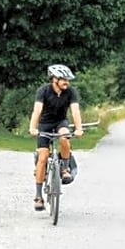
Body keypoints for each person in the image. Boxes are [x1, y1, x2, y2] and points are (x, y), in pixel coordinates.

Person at [29, 64, 84, 211]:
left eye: (68, 79)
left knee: (65, 137)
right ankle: (38, 196)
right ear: (55, 79)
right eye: (64, 79)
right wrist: (33, 128)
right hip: (45, 124)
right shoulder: (43, 91)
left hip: (61, 122)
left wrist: (79, 128)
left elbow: (75, 111)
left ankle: (65, 169)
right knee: (42, 157)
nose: (67, 82)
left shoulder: (71, 92)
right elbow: (37, 111)